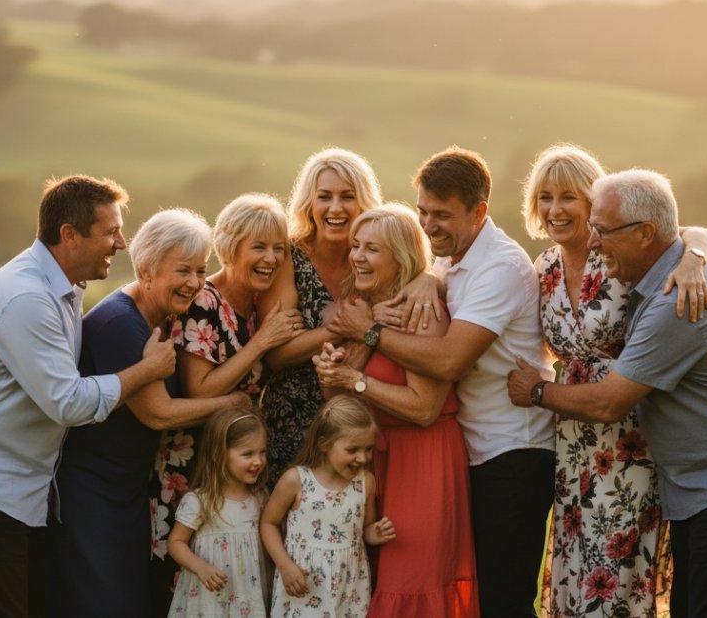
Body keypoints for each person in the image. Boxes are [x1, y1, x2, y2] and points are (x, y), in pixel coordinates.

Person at [508, 169, 707, 618]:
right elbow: (685, 232)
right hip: (700, 483)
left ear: (645, 234)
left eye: (602, 231)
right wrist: (696, 251)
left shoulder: (675, 302)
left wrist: (538, 391)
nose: (595, 242)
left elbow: (609, 402)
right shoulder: (663, 267)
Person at [0, 174, 177, 618]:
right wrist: (147, 370)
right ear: (69, 236)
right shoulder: (27, 297)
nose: (122, 243)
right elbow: (69, 402)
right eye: (111, 232)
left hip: (17, 492)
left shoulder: (65, 289)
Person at [329, 146, 553, 618]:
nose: (429, 226)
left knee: (503, 598)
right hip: (471, 448)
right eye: (422, 212)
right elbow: (426, 273)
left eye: (442, 216)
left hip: (513, 451)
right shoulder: (449, 259)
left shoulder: (501, 268)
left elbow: (449, 360)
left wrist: (367, 331)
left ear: (479, 213)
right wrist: (429, 278)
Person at [519, 144, 707, 617]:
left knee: (617, 567)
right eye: (545, 196)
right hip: (569, 437)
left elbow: (692, 233)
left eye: (568, 196)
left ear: (595, 205)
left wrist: (695, 260)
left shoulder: (618, 251)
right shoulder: (542, 268)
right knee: (574, 554)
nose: (554, 209)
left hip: (628, 433)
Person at [48, 209, 250, 618]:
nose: (195, 283)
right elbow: (158, 413)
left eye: (200, 270)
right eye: (182, 271)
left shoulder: (160, 316)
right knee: (105, 602)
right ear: (147, 270)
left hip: (127, 489)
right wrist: (234, 404)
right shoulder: (120, 324)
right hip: (94, 491)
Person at [314, 203, 479, 617]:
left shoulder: (421, 312)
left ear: (401, 256)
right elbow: (338, 399)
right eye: (356, 246)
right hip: (372, 460)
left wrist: (354, 380)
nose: (357, 257)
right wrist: (331, 372)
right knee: (372, 578)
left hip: (423, 458)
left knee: (411, 581)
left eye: (372, 249)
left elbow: (425, 409)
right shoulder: (359, 308)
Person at [150, 194, 304, 612]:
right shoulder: (205, 301)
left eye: (278, 248)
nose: (271, 258)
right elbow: (200, 390)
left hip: (235, 463)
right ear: (230, 247)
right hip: (195, 462)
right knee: (188, 585)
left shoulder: (255, 306)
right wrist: (262, 343)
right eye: (259, 247)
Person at [255, 148, 384, 485]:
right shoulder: (288, 257)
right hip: (291, 423)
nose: (335, 208)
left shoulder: (378, 255)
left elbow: (419, 269)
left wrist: (428, 284)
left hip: (359, 425)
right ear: (309, 203)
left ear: (364, 203)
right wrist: (345, 327)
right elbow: (277, 354)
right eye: (324, 197)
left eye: (347, 197)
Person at [261, 395, 395, 618]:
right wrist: (285, 566)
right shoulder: (296, 480)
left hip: (348, 587)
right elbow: (268, 523)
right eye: (352, 450)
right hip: (304, 583)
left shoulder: (365, 482)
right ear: (324, 444)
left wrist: (376, 533)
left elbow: (366, 529)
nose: (362, 458)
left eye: (368, 449)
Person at [167, 406, 271, 618]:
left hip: (247, 599)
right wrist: (201, 567)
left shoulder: (259, 499)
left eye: (262, 452)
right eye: (248, 454)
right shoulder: (201, 501)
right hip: (209, 600)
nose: (258, 461)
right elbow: (175, 543)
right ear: (218, 454)